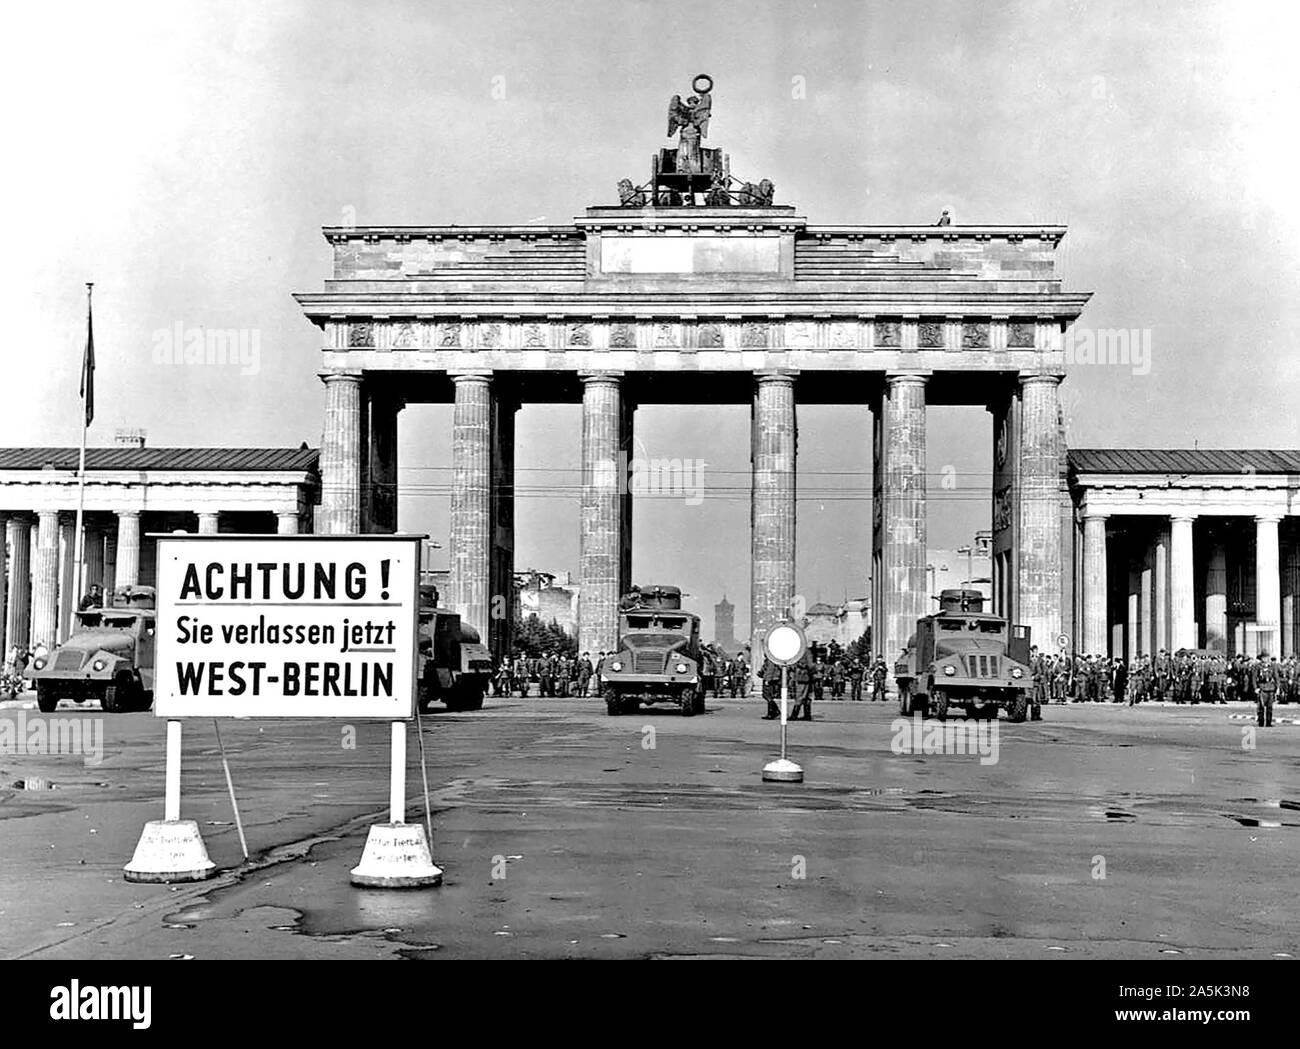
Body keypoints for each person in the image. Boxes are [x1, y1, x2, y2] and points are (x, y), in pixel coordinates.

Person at [1255, 653, 1279, 727]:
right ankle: (1261, 722)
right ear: (1261, 658)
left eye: (1266, 657)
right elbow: (1254, 678)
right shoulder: (1257, 666)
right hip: (1262, 688)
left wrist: (1277, 687)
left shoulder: (1272, 666)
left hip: (1271, 688)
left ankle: (1269, 722)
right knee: (1261, 706)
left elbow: (1276, 677)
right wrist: (1255, 688)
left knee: (1270, 707)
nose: (1265, 659)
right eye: (1263, 657)